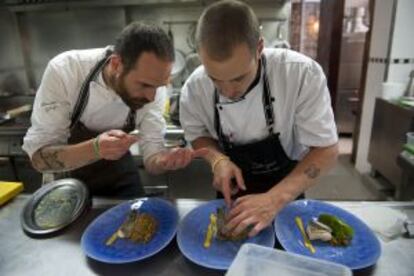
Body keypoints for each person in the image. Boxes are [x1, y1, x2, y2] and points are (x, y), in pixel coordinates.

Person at [179, 0, 338, 237]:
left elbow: (326, 150)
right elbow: (198, 135)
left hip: (288, 188)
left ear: (259, 47)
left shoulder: (300, 74)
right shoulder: (194, 87)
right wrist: (217, 160)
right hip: (231, 195)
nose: (228, 91)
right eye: (215, 79)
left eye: (238, 78)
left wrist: (276, 198)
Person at [23, 22, 206, 198]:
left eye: (158, 87)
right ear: (116, 64)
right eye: (144, 85)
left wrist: (164, 161)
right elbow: (39, 159)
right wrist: (96, 148)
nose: (151, 97)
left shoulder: (154, 88)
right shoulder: (66, 71)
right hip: (67, 179)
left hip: (119, 176)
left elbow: (152, 157)